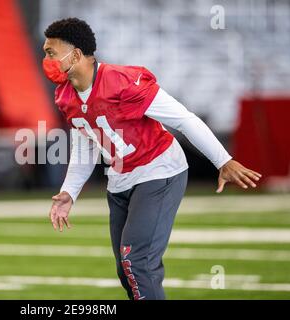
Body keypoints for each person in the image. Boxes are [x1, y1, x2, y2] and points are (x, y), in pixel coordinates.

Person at [43, 18, 262, 300]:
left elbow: (183, 119)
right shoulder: (65, 95)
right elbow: (86, 144)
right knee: (127, 271)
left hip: (159, 170)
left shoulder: (122, 82)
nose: (46, 59)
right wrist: (69, 192)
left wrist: (223, 160)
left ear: (74, 55)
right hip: (120, 179)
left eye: (51, 52)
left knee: (137, 262)